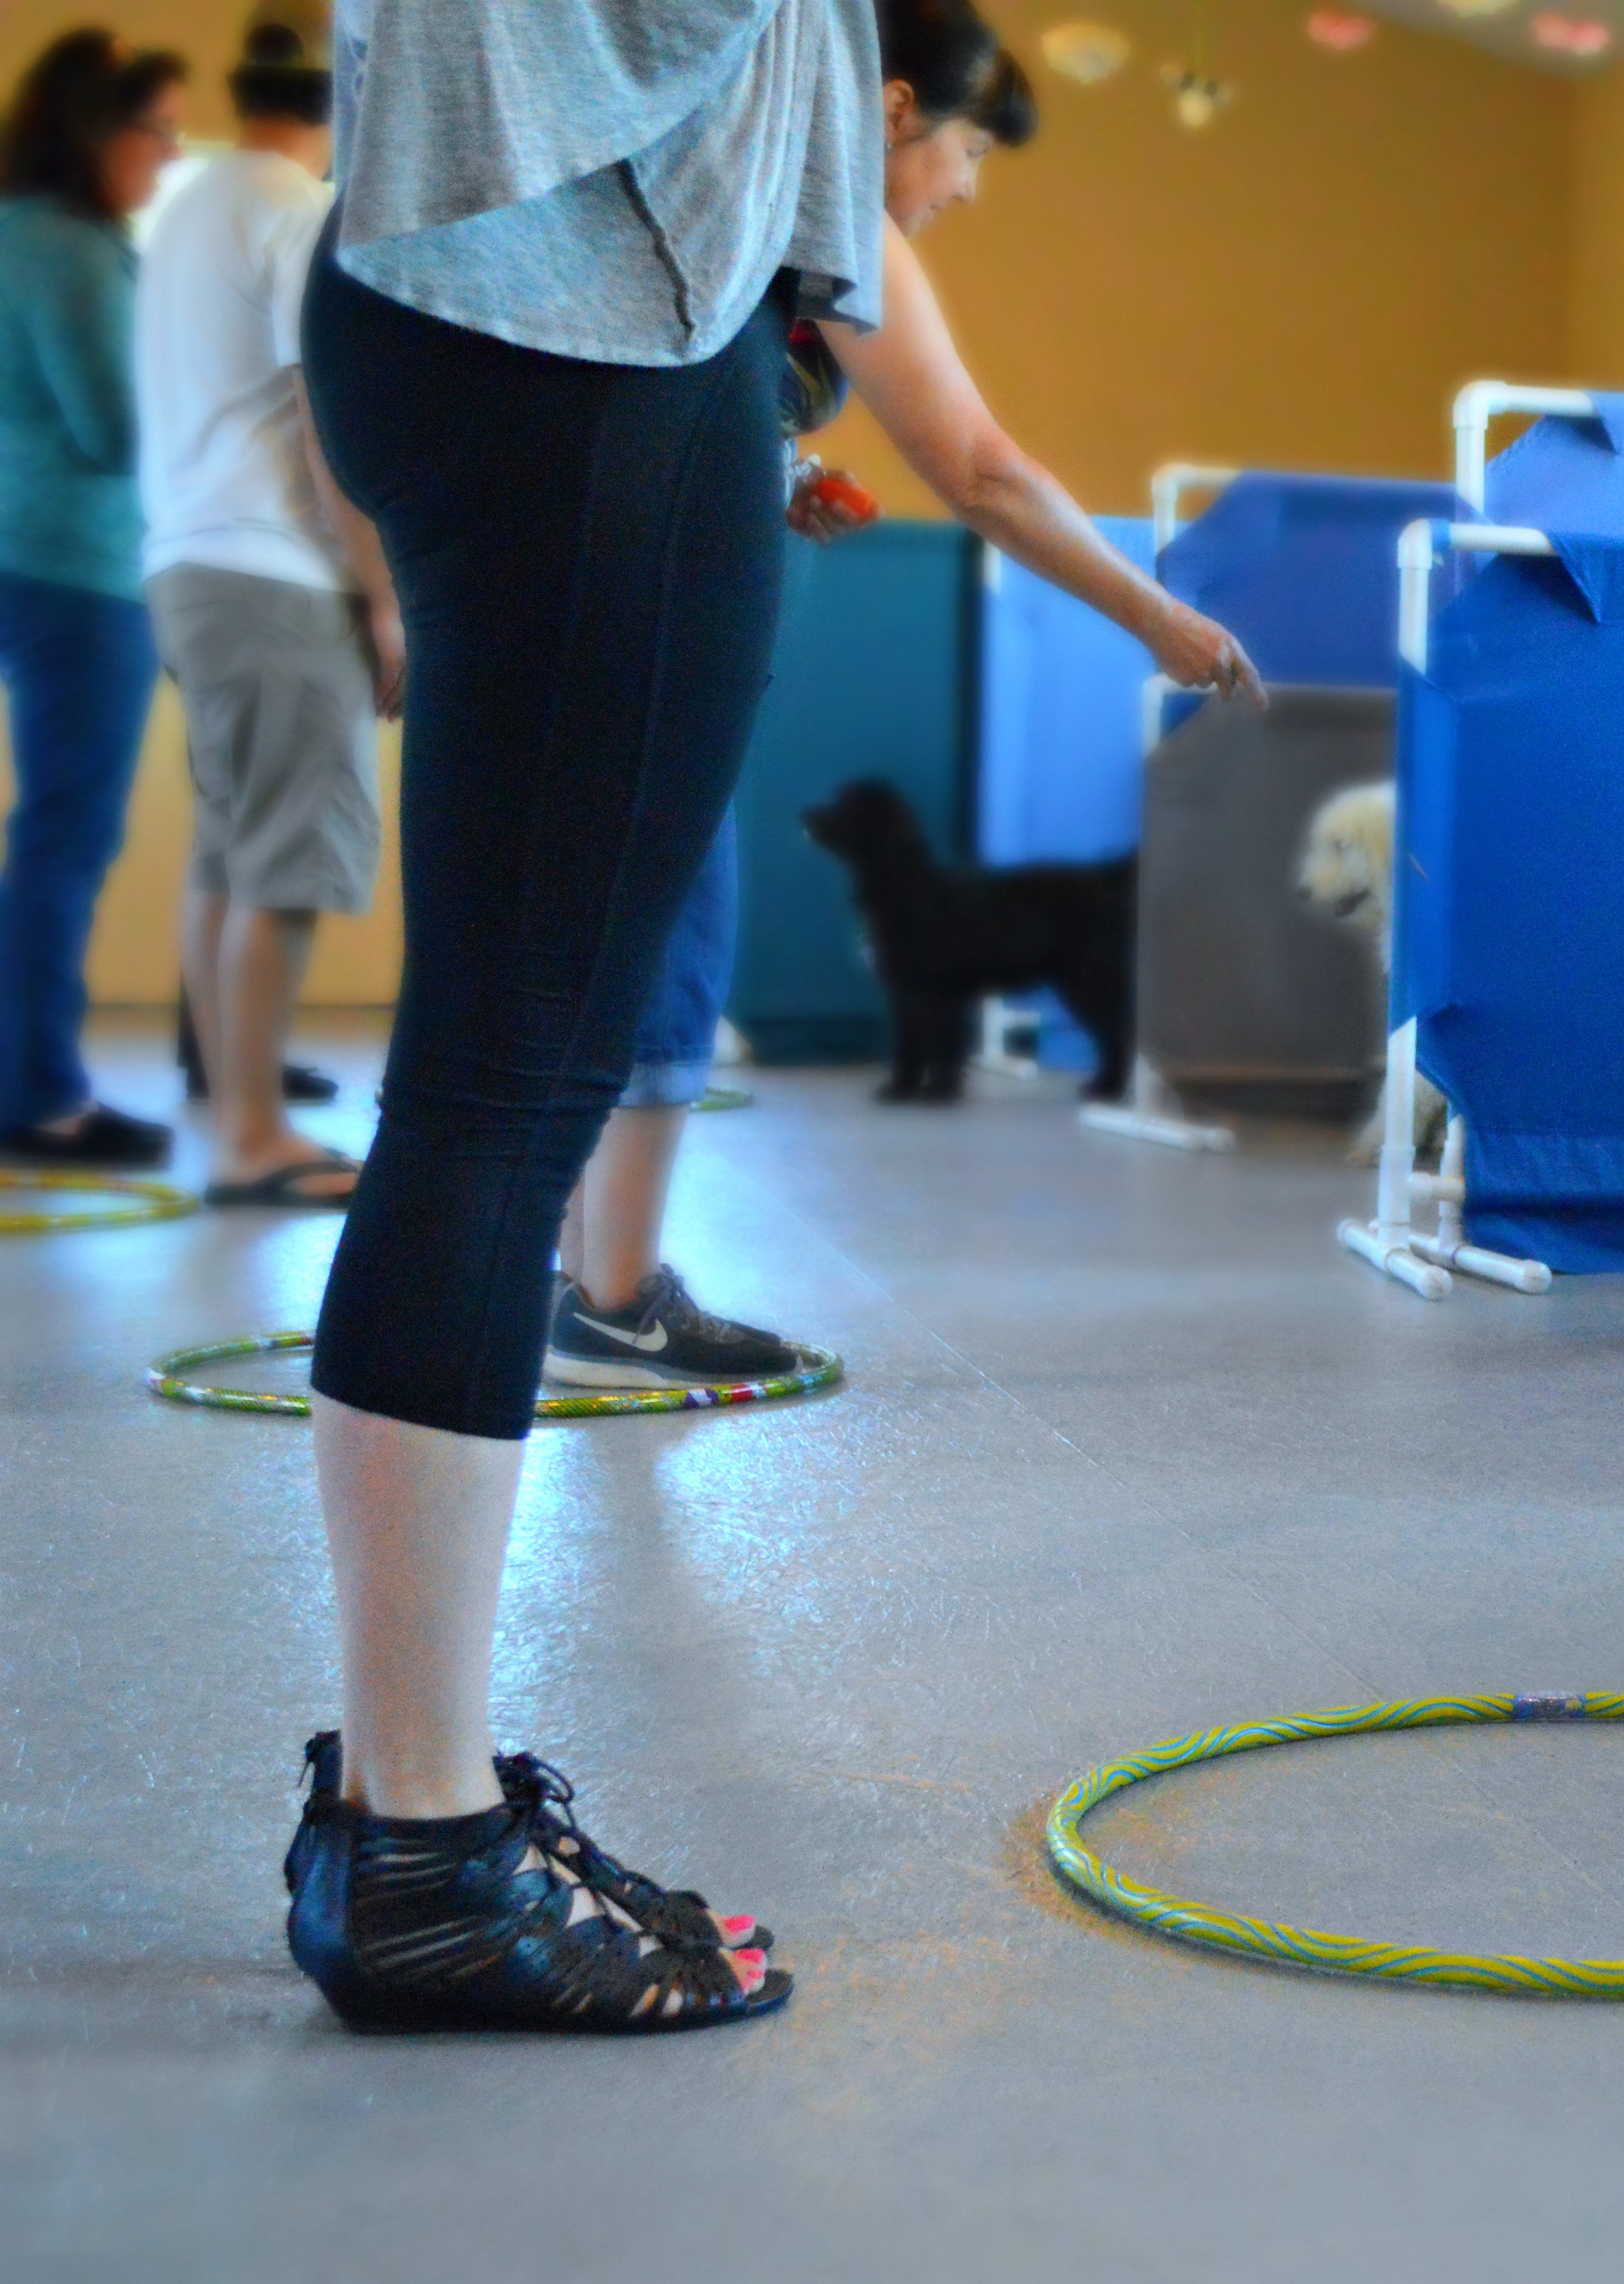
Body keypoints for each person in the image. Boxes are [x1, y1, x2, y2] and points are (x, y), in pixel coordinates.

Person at [281, 0, 891, 2037]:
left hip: (470, 299)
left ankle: (401, 1800)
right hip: (587, 323)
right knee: (507, 1083)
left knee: (490, 1077)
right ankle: (429, 1858)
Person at [543, 0, 1266, 1390]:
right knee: (675, 940)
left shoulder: (700, 172)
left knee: (597, 934)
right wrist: (1156, 615)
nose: (965, 191)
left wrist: (780, 472)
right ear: (882, 110)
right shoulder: (824, 207)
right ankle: (616, 1300)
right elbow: (981, 469)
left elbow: (654, 384)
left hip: (556, 591)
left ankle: (579, 1267)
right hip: (640, 619)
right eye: (969, 152)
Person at [138, 0, 397, 1210]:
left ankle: (229, 1108)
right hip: (276, 569)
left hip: (188, 561)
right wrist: (385, 599)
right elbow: (328, 413)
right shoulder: (297, 213)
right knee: (286, 861)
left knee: (232, 849)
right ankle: (251, 1136)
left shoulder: (190, 200)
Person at [0, 28, 185, 1168]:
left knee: (49, 841)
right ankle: (41, 1097)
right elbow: (117, 427)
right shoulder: (70, 250)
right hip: (77, 574)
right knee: (64, 842)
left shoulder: (16, 235)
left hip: (31, 555)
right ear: (95, 128)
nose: (165, 159)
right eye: (155, 132)